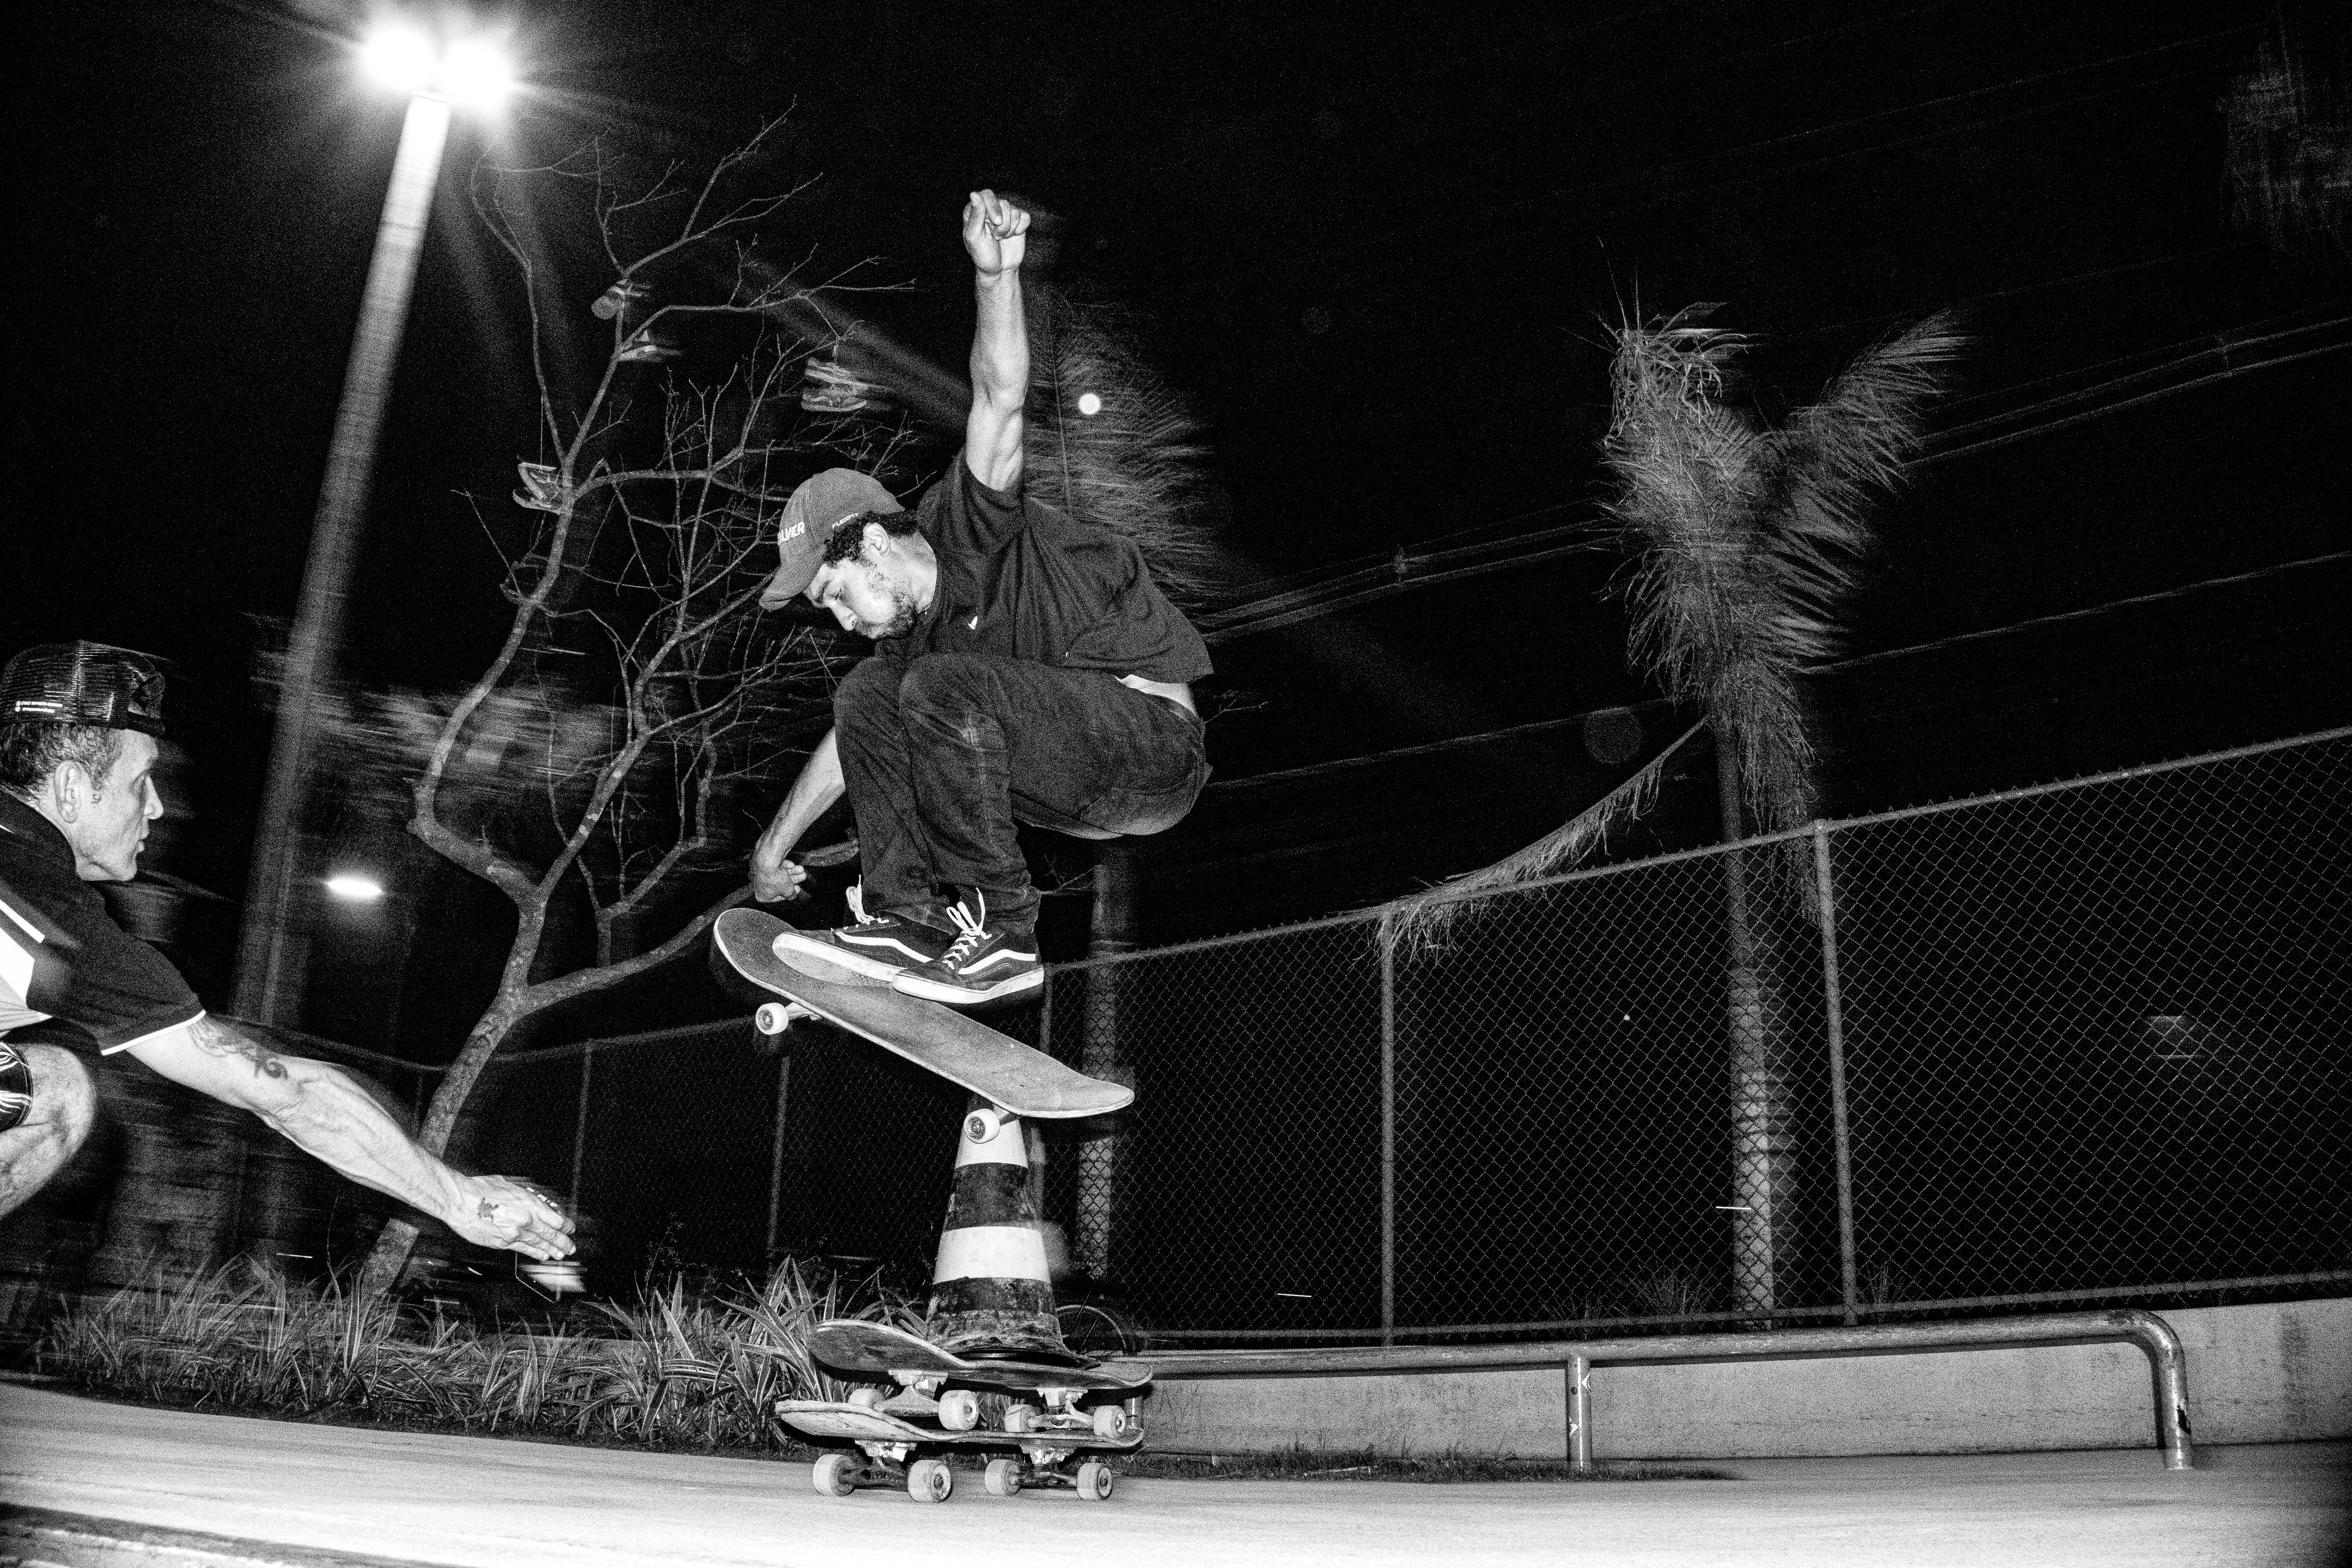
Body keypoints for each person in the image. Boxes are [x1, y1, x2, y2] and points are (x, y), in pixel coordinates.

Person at [749, 190, 1211, 1004]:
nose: (844, 619)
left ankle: (1005, 933)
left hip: (1153, 749)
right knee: (869, 693)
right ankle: (909, 917)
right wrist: (772, 846)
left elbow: (999, 398)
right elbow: (845, 751)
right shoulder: (909, 642)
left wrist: (997, 276)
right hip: (1067, 776)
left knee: (936, 684)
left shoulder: (968, 519)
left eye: (838, 594)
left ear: (876, 542)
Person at [0, 640, 574, 1267]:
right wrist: (459, 1199)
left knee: (50, 1081)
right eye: (141, 782)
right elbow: (284, 1094)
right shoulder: (56, 925)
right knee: (61, 1094)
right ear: (73, 788)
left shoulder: (46, 899)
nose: (158, 807)